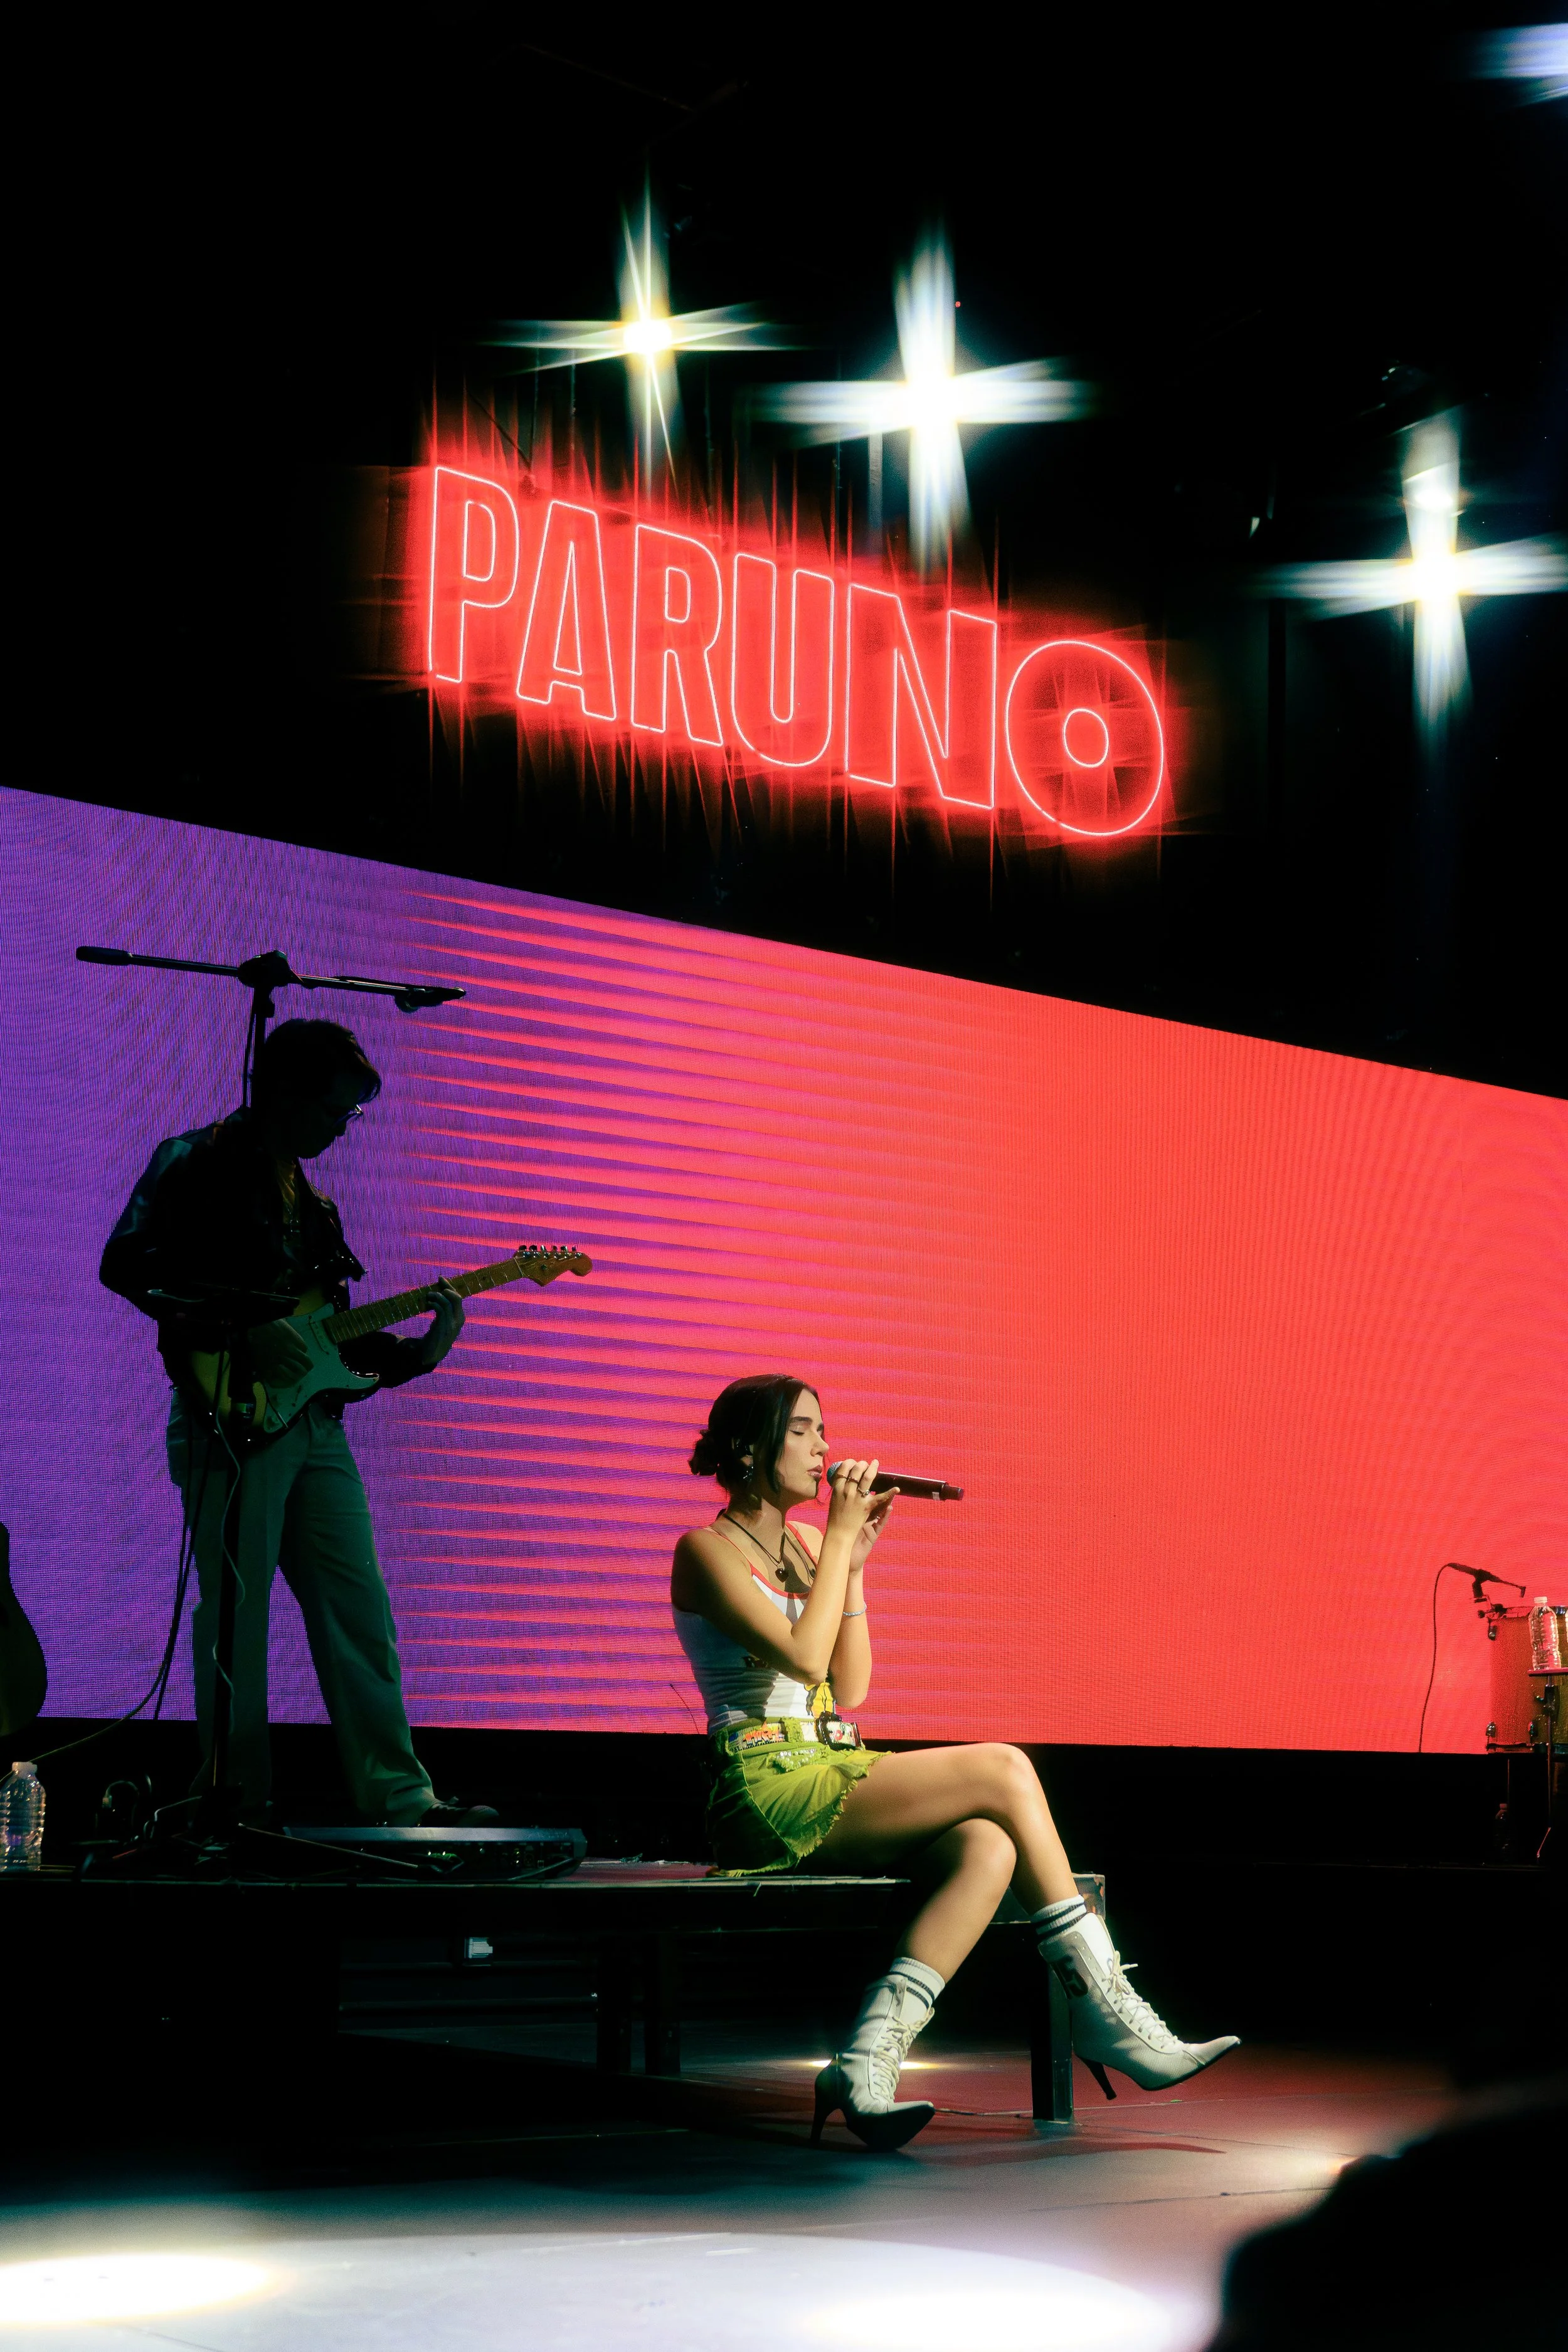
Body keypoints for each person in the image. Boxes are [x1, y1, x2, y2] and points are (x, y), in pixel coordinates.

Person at [672, 1374, 1239, 2149]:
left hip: (829, 1764)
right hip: (764, 1785)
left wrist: (854, 1566)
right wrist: (839, 1540)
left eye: (822, 1430)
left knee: (989, 1844)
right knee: (1004, 1767)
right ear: (747, 1447)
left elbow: (852, 1686)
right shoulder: (704, 1551)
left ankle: (865, 2060)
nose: (824, 1448)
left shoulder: (809, 1545)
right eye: (803, 1431)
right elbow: (805, 1664)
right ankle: (1105, 2014)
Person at [101, 1017, 490, 1828]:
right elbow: (128, 1262)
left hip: (316, 1430)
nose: (338, 1130)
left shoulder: (316, 1205)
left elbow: (324, 1344)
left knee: (361, 1610)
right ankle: (232, 1802)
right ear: (282, 1091)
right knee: (236, 1620)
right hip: (229, 1419)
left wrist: (421, 1353)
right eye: (332, 1111)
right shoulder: (199, 1161)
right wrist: (239, 1324)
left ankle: (401, 1798)